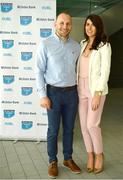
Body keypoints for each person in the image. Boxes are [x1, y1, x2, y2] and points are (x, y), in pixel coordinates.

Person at [35, 12, 81, 178]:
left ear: (71, 26)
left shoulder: (76, 46)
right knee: (53, 130)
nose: (65, 26)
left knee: (69, 129)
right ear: (55, 24)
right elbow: (39, 70)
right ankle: (52, 161)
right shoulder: (45, 44)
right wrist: (42, 95)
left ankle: (68, 159)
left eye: (68, 23)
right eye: (61, 23)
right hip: (53, 93)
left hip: (72, 94)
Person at [77, 14, 111, 174]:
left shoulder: (104, 45)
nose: (89, 27)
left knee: (92, 125)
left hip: (95, 89)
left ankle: (99, 154)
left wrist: (97, 93)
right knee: (84, 126)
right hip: (81, 89)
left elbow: (105, 71)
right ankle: (89, 155)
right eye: (87, 24)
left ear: (98, 27)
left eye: (92, 25)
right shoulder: (82, 44)